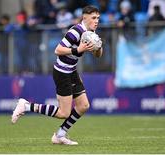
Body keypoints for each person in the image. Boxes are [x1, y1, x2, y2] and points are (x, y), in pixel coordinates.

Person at [11, 5, 103, 145]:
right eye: (93, 18)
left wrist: (97, 47)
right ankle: (26, 106)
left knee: (83, 105)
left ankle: (60, 135)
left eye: (98, 18)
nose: (96, 21)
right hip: (62, 72)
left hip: (71, 70)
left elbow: (98, 55)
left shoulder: (92, 31)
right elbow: (58, 50)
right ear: (84, 18)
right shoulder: (76, 31)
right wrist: (77, 49)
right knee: (63, 113)